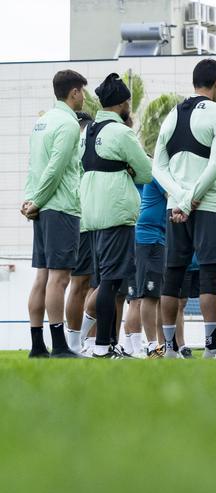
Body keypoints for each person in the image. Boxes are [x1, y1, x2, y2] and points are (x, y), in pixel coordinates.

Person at [152, 58, 216, 359]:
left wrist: (179, 197)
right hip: (208, 205)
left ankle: (170, 349)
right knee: (210, 274)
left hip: (175, 207)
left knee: (172, 276)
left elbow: (157, 167)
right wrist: (190, 198)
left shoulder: (171, 115)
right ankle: (213, 349)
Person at [79, 73, 153, 358]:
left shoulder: (88, 130)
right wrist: (128, 168)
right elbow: (145, 172)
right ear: (123, 104)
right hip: (116, 211)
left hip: (91, 212)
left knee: (103, 281)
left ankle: (103, 343)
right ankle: (102, 346)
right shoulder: (121, 132)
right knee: (111, 282)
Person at [22, 69, 88, 358]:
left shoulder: (42, 122)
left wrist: (30, 201)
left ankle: (38, 346)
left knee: (42, 276)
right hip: (59, 207)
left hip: (41, 208)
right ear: (74, 92)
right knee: (59, 278)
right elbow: (56, 168)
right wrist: (37, 200)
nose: (84, 97)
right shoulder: (69, 124)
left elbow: (34, 166)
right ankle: (60, 345)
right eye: (82, 92)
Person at [124, 174, 166, 358]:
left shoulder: (143, 173)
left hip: (151, 238)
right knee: (138, 298)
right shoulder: (152, 172)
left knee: (146, 297)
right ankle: (141, 347)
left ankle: (137, 347)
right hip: (143, 240)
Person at [65, 110, 94, 355]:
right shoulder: (77, 145)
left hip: (87, 222)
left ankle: (79, 342)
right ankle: (73, 343)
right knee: (79, 283)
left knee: (85, 284)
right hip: (81, 222)